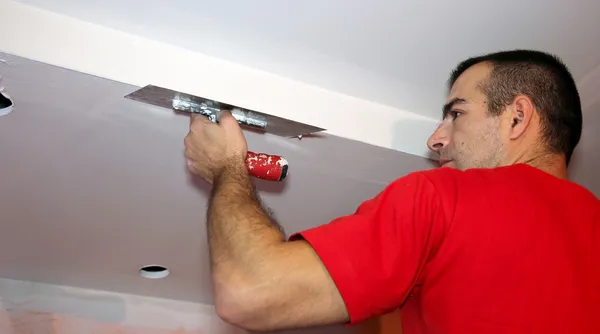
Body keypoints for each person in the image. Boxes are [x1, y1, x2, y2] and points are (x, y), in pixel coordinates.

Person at [183, 49, 599, 333]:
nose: (436, 139)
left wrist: (225, 168)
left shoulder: (445, 197)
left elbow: (250, 290)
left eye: (456, 113)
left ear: (516, 118)